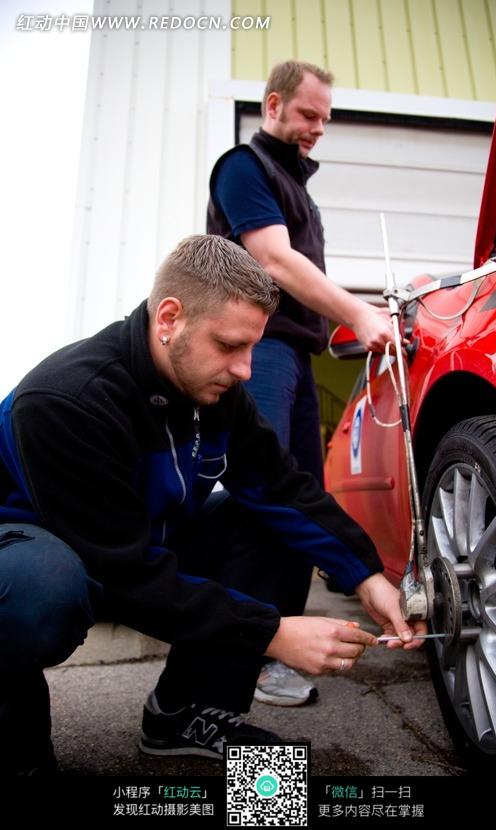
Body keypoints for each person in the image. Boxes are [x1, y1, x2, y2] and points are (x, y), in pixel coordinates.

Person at [0, 235, 424, 775]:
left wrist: (365, 574)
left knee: (272, 525)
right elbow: (121, 568)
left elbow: (282, 488)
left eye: (252, 348)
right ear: (169, 318)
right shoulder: (66, 401)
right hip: (36, 553)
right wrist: (270, 632)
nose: (246, 369)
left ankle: (186, 712)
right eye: (229, 346)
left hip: (129, 551)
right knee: (41, 587)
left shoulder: (214, 391)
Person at [207, 60, 396, 705]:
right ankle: (238, 666)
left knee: (299, 494)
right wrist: (358, 312)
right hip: (261, 350)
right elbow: (271, 260)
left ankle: (263, 659)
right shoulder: (244, 168)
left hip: (294, 352)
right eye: (309, 114)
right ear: (273, 105)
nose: (318, 128)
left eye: (326, 119)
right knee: (264, 491)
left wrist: (364, 574)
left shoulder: (299, 191)